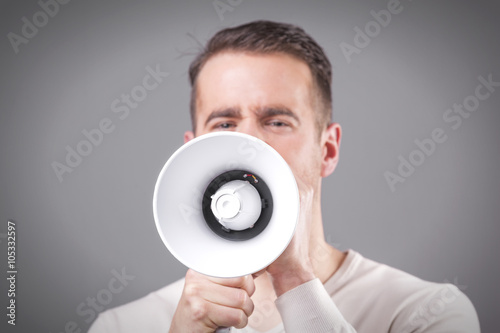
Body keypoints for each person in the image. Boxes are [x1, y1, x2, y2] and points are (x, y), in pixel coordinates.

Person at [88, 20, 480, 333]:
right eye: (224, 123)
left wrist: (294, 279)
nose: (248, 144)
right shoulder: (125, 326)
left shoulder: (424, 315)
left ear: (327, 149)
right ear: (192, 150)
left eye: (276, 121)